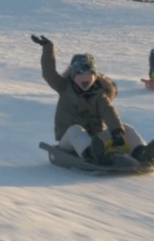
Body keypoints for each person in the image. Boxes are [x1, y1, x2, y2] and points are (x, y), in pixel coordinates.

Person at [31, 34, 154, 164]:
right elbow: (49, 73)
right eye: (81, 74)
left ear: (95, 76)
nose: (86, 78)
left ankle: (141, 152)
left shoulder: (99, 94)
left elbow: (109, 112)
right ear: (73, 75)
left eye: (90, 74)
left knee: (126, 128)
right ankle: (92, 155)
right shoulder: (64, 87)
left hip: (97, 140)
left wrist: (116, 132)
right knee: (75, 130)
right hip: (69, 140)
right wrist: (48, 48)